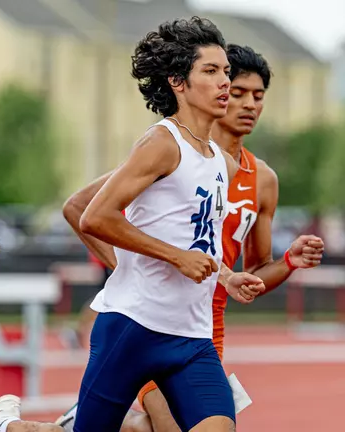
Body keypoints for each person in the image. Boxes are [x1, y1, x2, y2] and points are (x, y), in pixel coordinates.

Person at [0, 16, 265, 432]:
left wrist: (225, 276)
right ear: (178, 82)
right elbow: (93, 215)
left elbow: (198, 241)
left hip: (192, 336)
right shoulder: (161, 143)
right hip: (133, 328)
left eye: (225, 71)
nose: (224, 81)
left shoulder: (220, 162)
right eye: (210, 71)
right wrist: (167, 260)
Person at [57, 44, 325, 432]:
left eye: (257, 95)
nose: (244, 101)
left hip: (200, 326)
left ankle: (114, 425)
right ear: (183, 83)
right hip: (140, 321)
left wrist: (273, 266)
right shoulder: (165, 146)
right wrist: (138, 267)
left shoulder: (245, 172)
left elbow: (219, 254)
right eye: (233, 87)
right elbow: (84, 210)